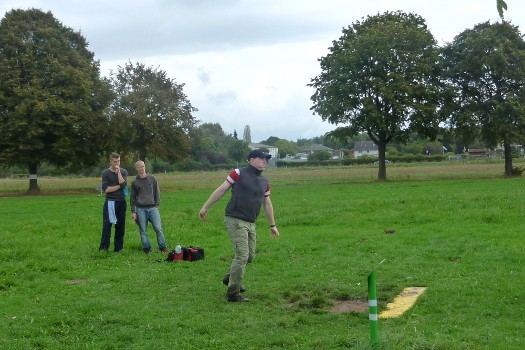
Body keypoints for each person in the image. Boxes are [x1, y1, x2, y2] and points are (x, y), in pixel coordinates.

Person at [199, 149, 280, 302]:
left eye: (267, 159)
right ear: (251, 159)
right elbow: (222, 189)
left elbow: (267, 203)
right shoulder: (238, 173)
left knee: (250, 256)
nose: (265, 161)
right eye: (262, 158)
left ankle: (230, 278)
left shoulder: (264, 181)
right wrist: (205, 207)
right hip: (235, 219)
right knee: (242, 255)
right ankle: (233, 293)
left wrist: (272, 225)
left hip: (251, 223)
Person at [130, 160, 168, 254]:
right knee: (143, 231)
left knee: (158, 228)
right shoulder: (135, 182)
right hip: (140, 209)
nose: (142, 168)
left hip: (152, 208)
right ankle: (147, 249)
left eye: (143, 166)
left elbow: (157, 192)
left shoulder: (152, 179)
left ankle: (163, 247)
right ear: (137, 168)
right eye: (140, 167)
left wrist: (156, 205)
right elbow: (132, 198)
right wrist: (133, 212)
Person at [99, 153, 128, 252]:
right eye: (115, 161)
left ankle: (118, 248)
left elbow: (124, 185)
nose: (117, 163)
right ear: (111, 161)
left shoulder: (123, 171)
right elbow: (106, 189)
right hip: (110, 202)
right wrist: (119, 186)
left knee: (120, 226)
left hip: (121, 201)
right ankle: (104, 248)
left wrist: (118, 173)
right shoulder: (105, 173)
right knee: (107, 226)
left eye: (118, 161)